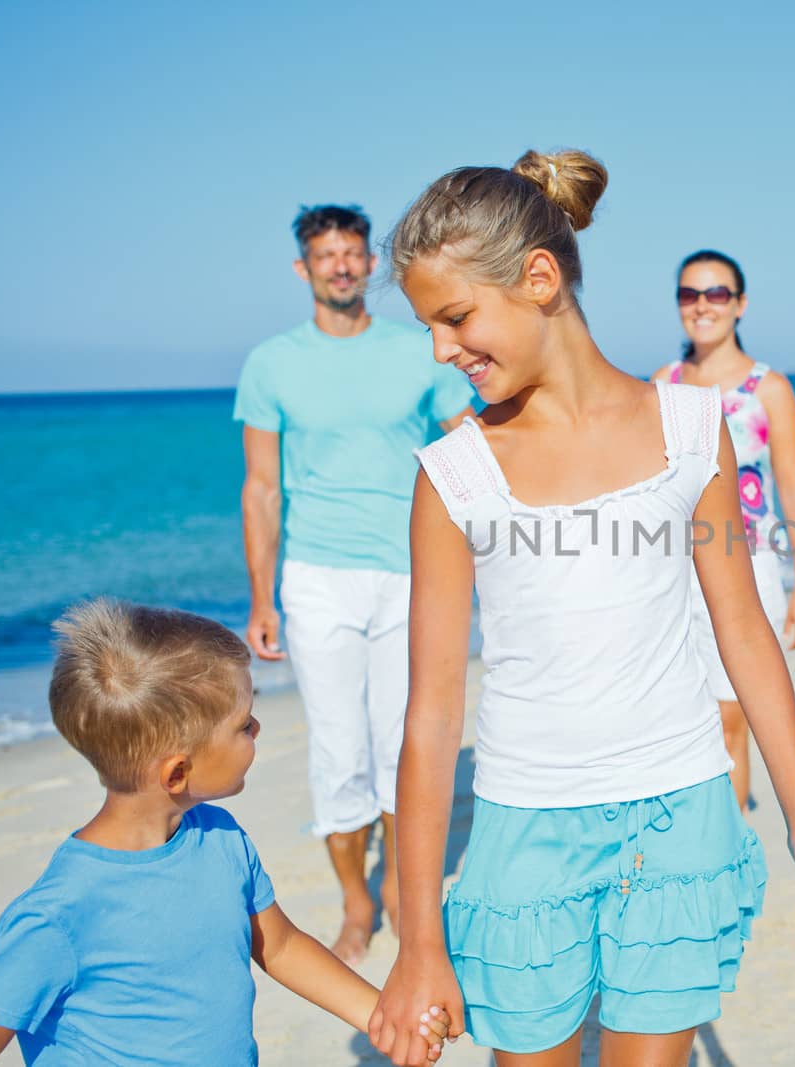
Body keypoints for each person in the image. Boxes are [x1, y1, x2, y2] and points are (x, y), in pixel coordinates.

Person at [365, 149, 795, 1067]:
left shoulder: (688, 432)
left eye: (456, 316)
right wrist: (419, 935)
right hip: (522, 830)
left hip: (680, 816)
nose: (440, 348)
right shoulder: (454, 474)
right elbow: (431, 712)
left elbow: (744, 638)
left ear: (539, 279)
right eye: (430, 325)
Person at [0, 600, 451, 1066]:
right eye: (243, 725)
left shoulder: (220, 838)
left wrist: (380, 1018)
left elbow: (282, 946)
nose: (257, 731)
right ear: (177, 774)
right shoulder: (62, 911)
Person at [234, 204, 476, 964]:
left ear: (372, 263)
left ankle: (406, 891)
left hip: (413, 569)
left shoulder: (418, 350)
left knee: (404, 737)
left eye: (352, 252)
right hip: (316, 577)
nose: (341, 265)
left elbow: (469, 443)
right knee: (339, 750)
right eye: (325, 254)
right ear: (303, 269)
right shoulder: (271, 362)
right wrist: (261, 595)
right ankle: (355, 900)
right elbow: (261, 487)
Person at [652, 250, 795, 812]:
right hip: (674, 574)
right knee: (683, 724)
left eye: (717, 294)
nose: (702, 306)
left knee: (729, 720)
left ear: (740, 305)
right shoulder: (662, 387)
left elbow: (793, 492)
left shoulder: (769, 390)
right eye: (689, 295)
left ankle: (730, 860)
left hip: (750, 572)